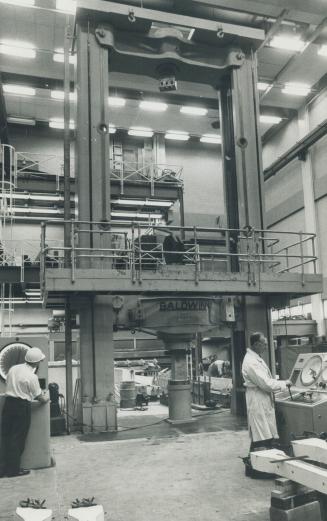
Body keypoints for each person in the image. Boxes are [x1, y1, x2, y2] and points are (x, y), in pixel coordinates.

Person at [242, 332, 292, 476]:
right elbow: (265, 384)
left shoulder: (256, 358)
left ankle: (257, 466)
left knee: (263, 434)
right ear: (256, 344)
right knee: (261, 435)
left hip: (261, 398)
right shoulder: (251, 361)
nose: (265, 346)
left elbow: (266, 380)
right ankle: (258, 469)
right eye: (264, 343)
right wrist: (284, 383)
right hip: (258, 399)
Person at [0, 347, 49, 478]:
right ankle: (13, 470)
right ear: (37, 362)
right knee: (17, 438)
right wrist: (47, 397)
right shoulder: (31, 376)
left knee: (5, 437)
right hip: (21, 407)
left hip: (8, 404)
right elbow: (40, 398)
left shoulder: (13, 369)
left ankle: (2, 469)